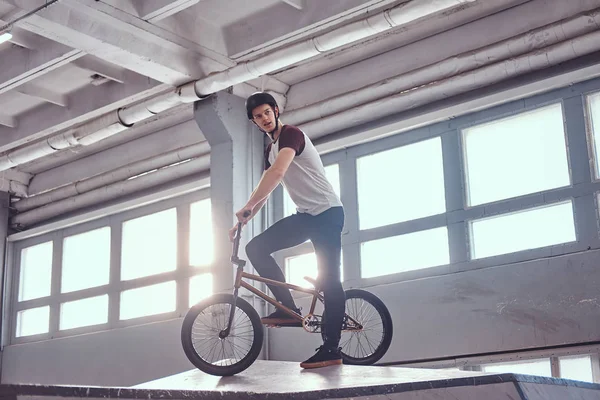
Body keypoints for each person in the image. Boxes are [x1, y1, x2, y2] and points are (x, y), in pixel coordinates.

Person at [228, 92, 346, 369]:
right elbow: (266, 191)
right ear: (254, 122)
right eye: (258, 117)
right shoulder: (269, 150)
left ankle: (331, 349)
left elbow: (277, 174)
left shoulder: (291, 135)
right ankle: (289, 309)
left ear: (276, 111)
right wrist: (243, 220)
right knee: (255, 248)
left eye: (267, 113)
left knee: (330, 280)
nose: (264, 119)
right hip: (306, 216)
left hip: (328, 214)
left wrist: (246, 206)